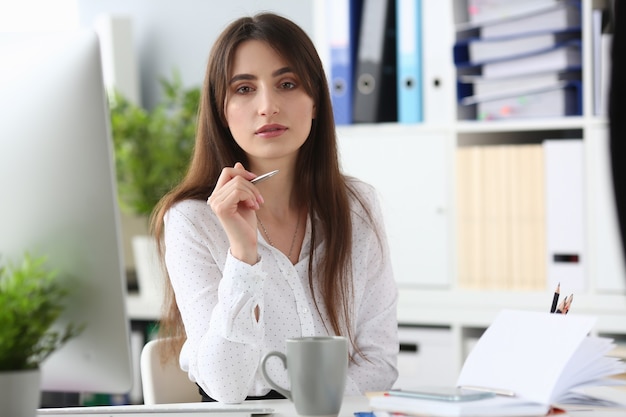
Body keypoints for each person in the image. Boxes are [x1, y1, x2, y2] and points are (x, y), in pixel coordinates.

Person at [151, 12, 399, 404]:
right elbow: (225, 387)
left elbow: (380, 363)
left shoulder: (357, 207)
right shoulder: (190, 221)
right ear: (222, 109)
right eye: (245, 89)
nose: (267, 106)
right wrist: (242, 254)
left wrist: (306, 405)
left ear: (315, 100)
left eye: (286, 84)